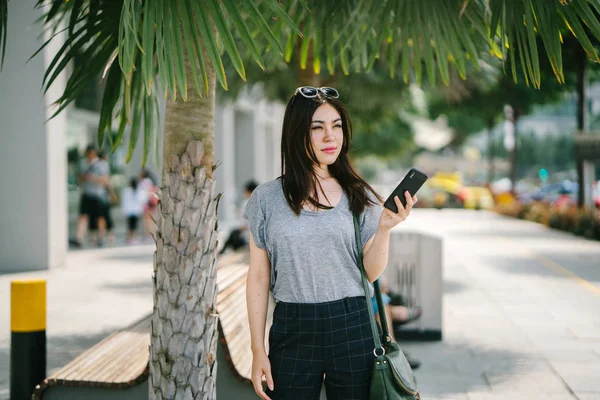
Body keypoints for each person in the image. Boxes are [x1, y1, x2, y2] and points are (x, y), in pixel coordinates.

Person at [245, 86, 417, 400]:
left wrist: (385, 229)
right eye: (318, 127)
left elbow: (371, 272)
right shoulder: (266, 199)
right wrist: (257, 349)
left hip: (353, 324)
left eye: (336, 126)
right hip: (293, 326)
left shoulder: (359, 194)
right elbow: (258, 275)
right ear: (297, 134)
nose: (330, 137)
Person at [73, 145, 109, 248]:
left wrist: (93, 178)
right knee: (83, 216)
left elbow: (106, 180)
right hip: (86, 193)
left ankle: (100, 238)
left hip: (99, 195)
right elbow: (79, 177)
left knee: (100, 217)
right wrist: (84, 177)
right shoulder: (83, 163)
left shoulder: (102, 164)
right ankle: (79, 238)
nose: (89, 156)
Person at [220, 179, 259, 254]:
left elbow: (245, 225)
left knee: (233, 233)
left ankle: (221, 253)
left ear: (248, 191)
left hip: (248, 238)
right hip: (257, 238)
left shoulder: (246, 203)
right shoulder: (260, 203)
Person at [121, 177, 147, 244]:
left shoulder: (127, 191)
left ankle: (130, 238)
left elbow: (124, 201)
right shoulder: (139, 191)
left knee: (130, 225)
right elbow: (143, 200)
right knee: (135, 225)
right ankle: (133, 238)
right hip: (136, 211)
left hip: (129, 211)